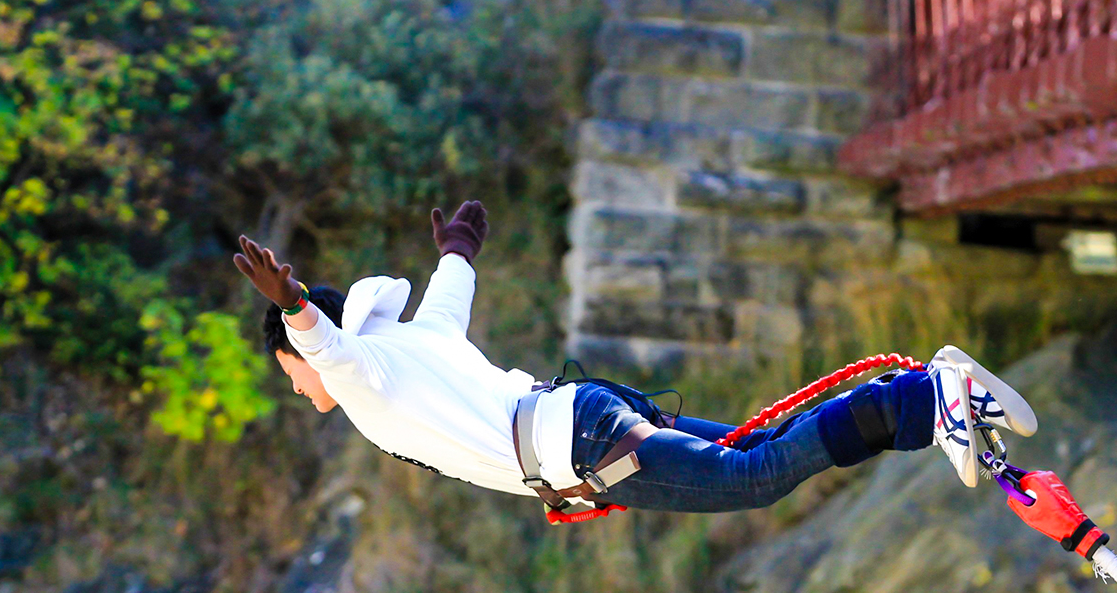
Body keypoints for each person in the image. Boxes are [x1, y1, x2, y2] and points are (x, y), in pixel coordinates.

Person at [234, 200, 1037, 519]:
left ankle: (925, 401)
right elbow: (451, 287)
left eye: (291, 374)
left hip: (580, 441)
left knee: (751, 478)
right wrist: (458, 244)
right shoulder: (411, 341)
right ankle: (926, 398)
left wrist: (292, 303)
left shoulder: (359, 372)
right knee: (750, 453)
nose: (303, 389)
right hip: (581, 417)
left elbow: (324, 347)